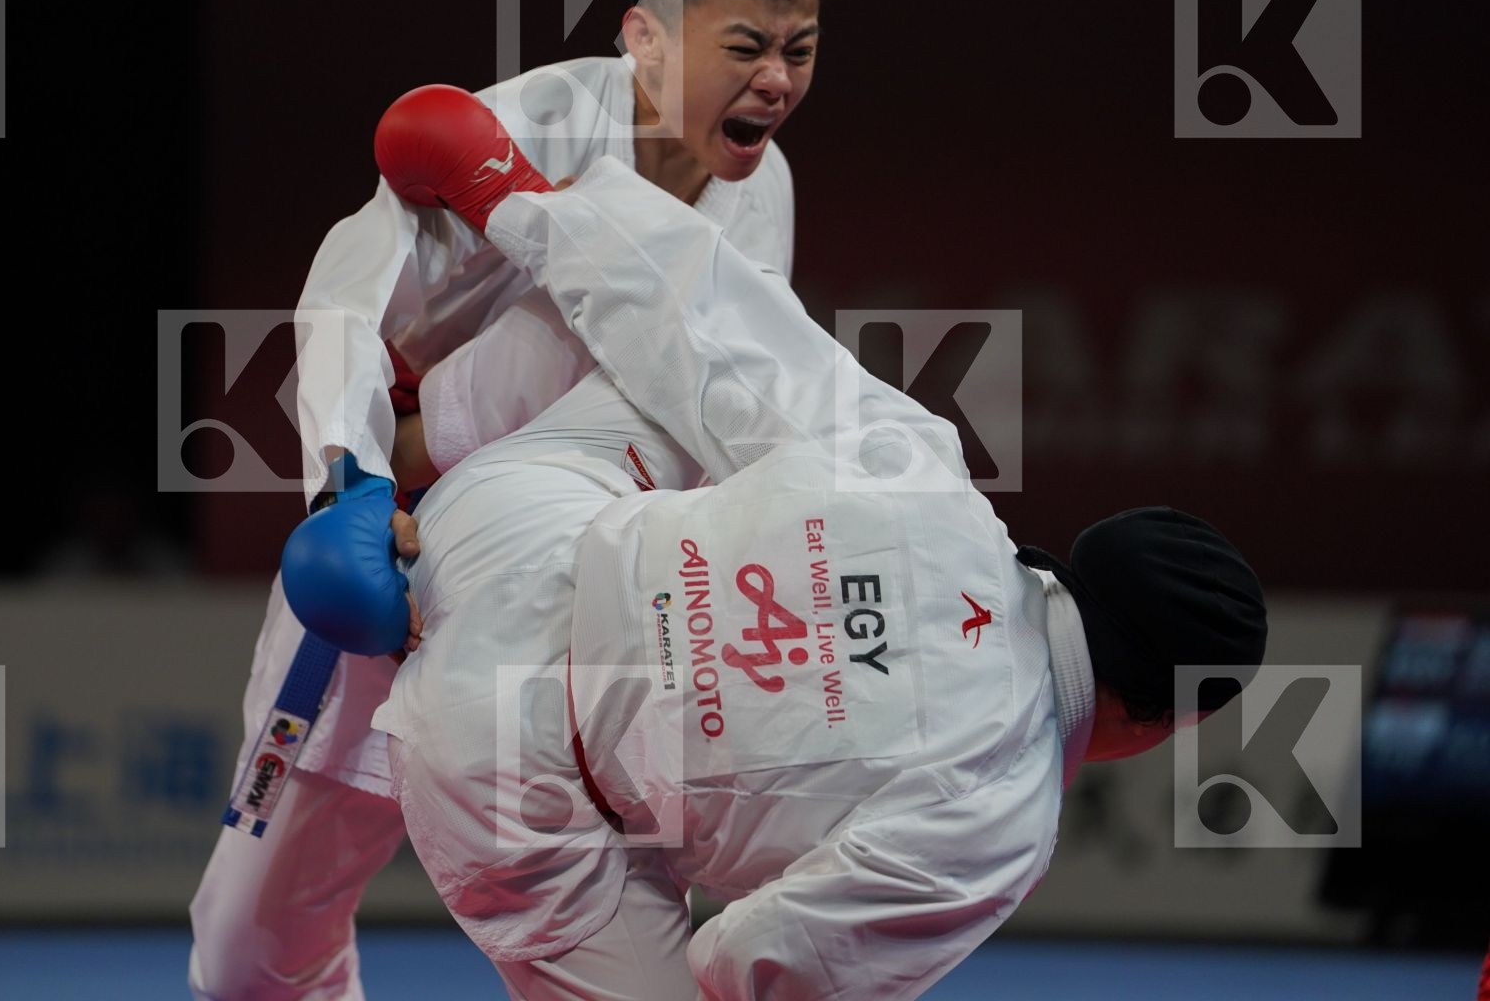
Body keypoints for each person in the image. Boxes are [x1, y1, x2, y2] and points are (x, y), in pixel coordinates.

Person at [295, 85, 1270, 999]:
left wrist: (517, 201)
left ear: (1077, 567)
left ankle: (369, 460)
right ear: (1162, 724)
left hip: (506, 519)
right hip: (506, 770)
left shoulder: (931, 478)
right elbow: (747, 963)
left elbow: (710, 335)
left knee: (707, 379)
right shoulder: (998, 827)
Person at [189, 0, 857, 1000]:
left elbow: (714, 397)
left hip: (580, 600)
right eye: (744, 48)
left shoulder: (768, 190)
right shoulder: (522, 126)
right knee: (249, 949)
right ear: (644, 37)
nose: (777, 83)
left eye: (799, 51)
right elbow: (351, 291)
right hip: (395, 556)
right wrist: (349, 483)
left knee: (616, 945)